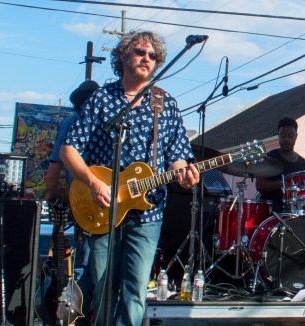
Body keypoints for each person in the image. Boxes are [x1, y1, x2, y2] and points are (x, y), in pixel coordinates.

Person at [60, 30, 199, 326]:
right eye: (139, 52)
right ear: (123, 57)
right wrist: (93, 183)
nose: (146, 59)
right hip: (103, 206)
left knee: (135, 290)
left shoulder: (165, 103)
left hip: (149, 212)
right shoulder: (101, 100)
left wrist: (184, 175)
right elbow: (68, 150)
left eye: (152, 55)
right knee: (103, 288)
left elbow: (176, 155)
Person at [42, 79, 101, 319]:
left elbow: (54, 168)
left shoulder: (70, 122)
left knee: (84, 257)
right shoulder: (100, 121)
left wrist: (51, 194)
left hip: (82, 199)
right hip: (107, 197)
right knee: (95, 258)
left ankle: (73, 315)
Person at [255, 117, 305, 213]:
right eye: (283, 136)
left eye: (290, 136)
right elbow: (260, 185)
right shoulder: (270, 158)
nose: (286, 139)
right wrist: (287, 183)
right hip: (271, 211)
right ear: (278, 136)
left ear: (296, 136)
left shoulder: (302, 162)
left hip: (296, 212)